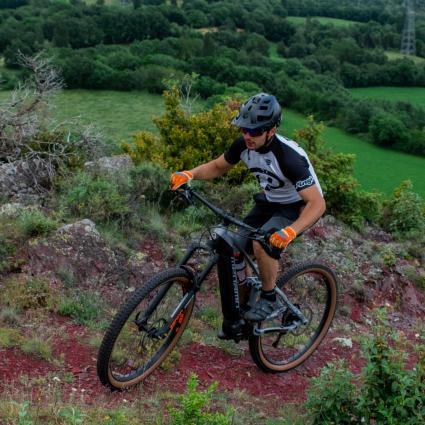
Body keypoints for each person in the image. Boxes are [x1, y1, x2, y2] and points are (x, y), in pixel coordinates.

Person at [170, 93, 325, 335]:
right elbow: (219, 166)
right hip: (268, 202)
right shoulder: (244, 145)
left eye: (254, 131)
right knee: (231, 248)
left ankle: (269, 296)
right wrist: (190, 174)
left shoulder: (289, 157)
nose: (247, 135)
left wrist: (290, 232)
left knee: (262, 242)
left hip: (297, 207)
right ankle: (241, 313)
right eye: (244, 129)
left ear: (271, 130)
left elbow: (317, 204)